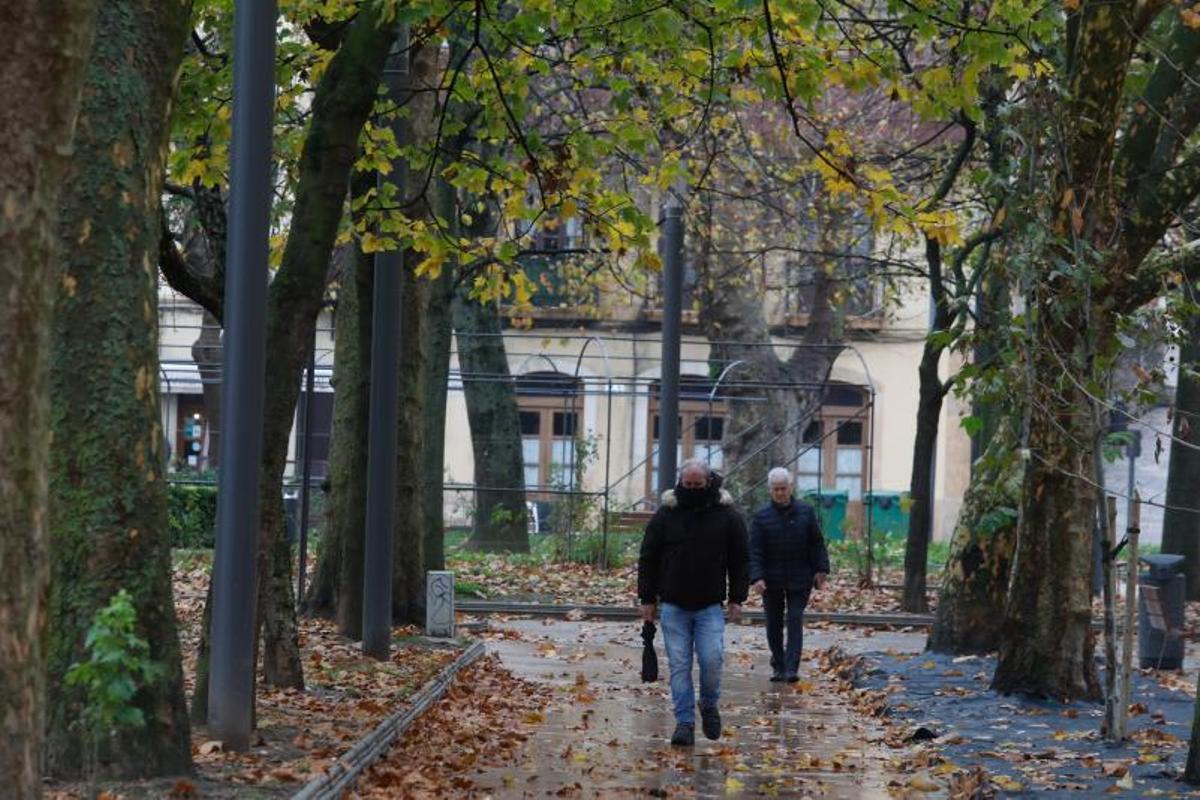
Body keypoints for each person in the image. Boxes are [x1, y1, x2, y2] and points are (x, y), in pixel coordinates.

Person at [637, 458, 749, 747]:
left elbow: (741, 559)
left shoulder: (728, 516)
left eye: (698, 485)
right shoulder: (665, 515)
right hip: (673, 604)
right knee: (679, 665)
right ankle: (684, 723)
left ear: (709, 482)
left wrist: (737, 597)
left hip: (710, 605)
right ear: (680, 483)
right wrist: (647, 598)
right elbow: (648, 558)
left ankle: (709, 704)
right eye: (687, 485)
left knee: (712, 660)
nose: (692, 489)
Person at [749, 467, 830, 683]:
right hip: (771, 579)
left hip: (800, 576)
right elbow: (755, 550)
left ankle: (792, 667)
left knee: (795, 619)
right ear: (770, 490)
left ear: (790, 488)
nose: (780, 493)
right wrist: (757, 577)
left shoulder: (805, 511)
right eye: (776, 489)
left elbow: (816, 542)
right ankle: (778, 664)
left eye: (783, 489)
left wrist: (821, 569)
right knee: (773, 623)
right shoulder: (761, 517)